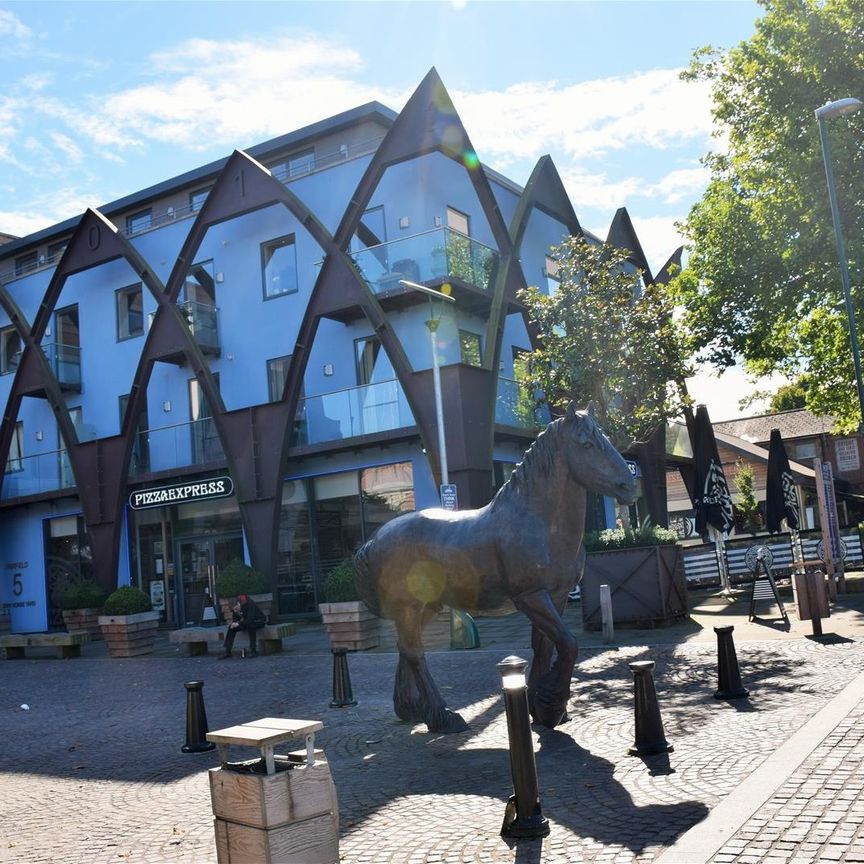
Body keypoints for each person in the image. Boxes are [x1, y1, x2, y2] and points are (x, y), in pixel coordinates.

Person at [218, 593, 266, 659]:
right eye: (233, 610)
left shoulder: (249, 603)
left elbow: (250, 619)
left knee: (250, 625)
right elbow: (235, 619)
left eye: (236, 609)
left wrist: (239, 624)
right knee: (231, 628)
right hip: (246, 622)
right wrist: (234, 624)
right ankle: (227, 651)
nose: (235, 611)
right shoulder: (235, 608)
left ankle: (253, 650)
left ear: (238, 603)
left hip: (258, 621)